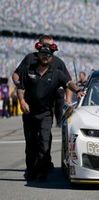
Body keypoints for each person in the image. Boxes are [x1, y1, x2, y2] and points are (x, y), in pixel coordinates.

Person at [16, 41, 85, 182]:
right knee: (30, 144)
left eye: (48, 55)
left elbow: (69, 83)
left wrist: (77, 90)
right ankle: (30, 171)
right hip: (29, 113)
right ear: (39, 55)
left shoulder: (57, 73)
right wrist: (22, 101)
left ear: (51, 57)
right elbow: (20, 87)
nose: (45, 57)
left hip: (46, 114)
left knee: (44, 142)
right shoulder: (28, 69)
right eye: (43, 54)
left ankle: (42, 171)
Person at [12, 35, 72, 172]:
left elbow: (69, 82)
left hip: (47, 107)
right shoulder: (29, 59)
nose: (48, 49)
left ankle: (44, 165)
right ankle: (32, 168)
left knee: (45, 138)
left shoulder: (57, 62)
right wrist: (20, 84)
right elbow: (15, 75)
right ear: (39, 45)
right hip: (29, 107)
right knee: (31, 140)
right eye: (46, 45)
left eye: (51, 46)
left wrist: (68, 101)